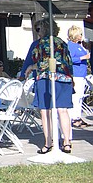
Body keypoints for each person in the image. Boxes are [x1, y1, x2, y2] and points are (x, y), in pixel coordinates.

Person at [24, 18, 74, 153]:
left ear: (45, 28)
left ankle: (48, 142)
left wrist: (30, 67)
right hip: (64, 79)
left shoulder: (40, 44)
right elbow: (68, 62)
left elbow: (42, 62)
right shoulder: (63, 43)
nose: (37, 33)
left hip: (46, 79)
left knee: (45, 111)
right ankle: (67, 142)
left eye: (38, 29)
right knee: (62, 110)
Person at [67, 25, 90, 129]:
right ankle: (74, 118)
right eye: (80, 34)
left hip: (82, 74)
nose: (81, 36)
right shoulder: (71, 46)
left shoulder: (79, 45)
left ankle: (78, 116)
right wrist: (83, 57)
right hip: (76, 74)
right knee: (76, 97)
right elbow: (70, 59)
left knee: (80, 96)